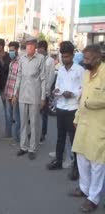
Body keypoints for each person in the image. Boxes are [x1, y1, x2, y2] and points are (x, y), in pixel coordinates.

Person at [69, 45, 105, 213]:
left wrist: (90, 102)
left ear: (97, 58)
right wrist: (77, 117)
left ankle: (93, 198)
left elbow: (91, 99)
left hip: (99, 125)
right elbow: (82, 96)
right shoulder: (85, 73)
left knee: (97, 162)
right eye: (84, 58)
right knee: (82, 156)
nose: (85, 62)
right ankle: (84, 188)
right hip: (83, 121)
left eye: (88, 59)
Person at [46, 41, 84, 182]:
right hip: (61, 107)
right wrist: (56, 91)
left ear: (73, 56)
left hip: (73, 108)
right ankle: (58, 161)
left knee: (74, 139)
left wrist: (73, 93)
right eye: (63, 56)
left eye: (67, 56)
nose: (65, 59)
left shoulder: (80, 70)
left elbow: (83, 89)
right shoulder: (60, 69)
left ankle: (76, 168)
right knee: (60, 136)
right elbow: (57, 85)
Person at [12, 39, 46, 160]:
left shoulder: (41, 58)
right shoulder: (22, 59)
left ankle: (32, 149)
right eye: (27, 46)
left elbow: (43, 79)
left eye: (31, 46)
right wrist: (15, 94)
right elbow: (19, 76)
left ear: (35, 47)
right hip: (22, 96)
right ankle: (23, 146)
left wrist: (43, 98)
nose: (29, 48)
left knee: (34, 124)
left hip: (35, 96)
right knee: (23, 123)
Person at [37, 40, 55, 143]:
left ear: (44, 48)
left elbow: (51, 77)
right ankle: (35, 131)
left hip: (45, 92)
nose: (38, 50)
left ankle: (43, 134)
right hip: (36, 90)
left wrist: (47, 91)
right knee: (35, 113)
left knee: (44, 114)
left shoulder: (50, 61)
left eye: (40, 48)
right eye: (38, 48)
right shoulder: (37, 59)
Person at [3, 41, 21, 145]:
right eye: (9, 50)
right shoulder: (11, 62)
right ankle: (10, 135)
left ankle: (17, 138)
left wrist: (16, 94)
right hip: (8, 92)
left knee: (17, 117)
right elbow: (9, 79)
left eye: (12, 50)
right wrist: (6, 92)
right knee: (9, 115)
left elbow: (19, 80)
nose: (11, 52)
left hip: (15, 95)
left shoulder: (20, 63)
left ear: (17, 50)